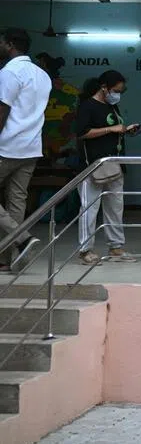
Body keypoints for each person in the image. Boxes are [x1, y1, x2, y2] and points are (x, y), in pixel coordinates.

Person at [74, 70, 139, 266]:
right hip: (92, 166)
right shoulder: (87, 106)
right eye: (115, 90)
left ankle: (116, 247)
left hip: (114, 164)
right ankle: (85, 250)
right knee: (89, 208)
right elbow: (82, 133)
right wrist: (110, 129)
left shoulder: (112, 106)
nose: (117, 94)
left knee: (115, 207)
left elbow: (114, 131)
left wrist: (126, 130)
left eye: (120, 91)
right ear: (104, 87)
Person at [0, 28, 51, 272]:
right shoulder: (42, 75)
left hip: (6, 146)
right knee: (16, 203)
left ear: (10, 44)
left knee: (15, 204)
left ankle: (21, 238)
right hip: (31, 148)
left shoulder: (10, 72)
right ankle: (9, 260)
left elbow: (2, 110)